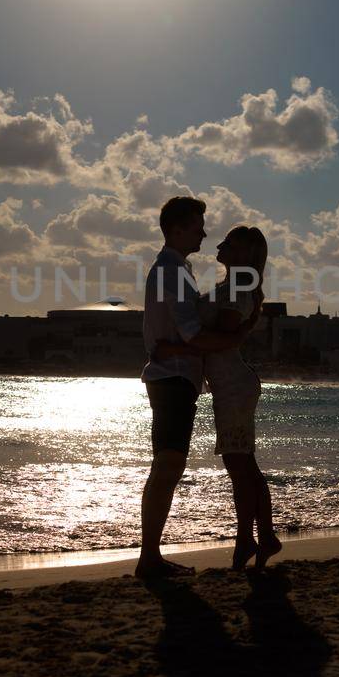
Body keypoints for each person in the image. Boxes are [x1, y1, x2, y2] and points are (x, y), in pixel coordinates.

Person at [137, 197, 259, 579]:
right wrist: (237, 335)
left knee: (168, 464)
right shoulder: (172, 271)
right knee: (168, 464)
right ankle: (150, 557)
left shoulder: (179, 269)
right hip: (172, 376)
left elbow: (186, 333)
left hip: (176, 376)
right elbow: (192, 332)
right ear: (175, 229)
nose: (204, 232)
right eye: (196, 226)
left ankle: (151, 555)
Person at [154, 224, 283, 573]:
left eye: (230, 242)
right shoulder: (232, 284)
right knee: (243, 464)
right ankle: (257, 537)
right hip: (228, 384)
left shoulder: (240, 285)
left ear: (244, 253)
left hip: (234, 385)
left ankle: (252, 539)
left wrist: (175, 346)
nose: (220, 244)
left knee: (240, 466)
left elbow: (222, 337)